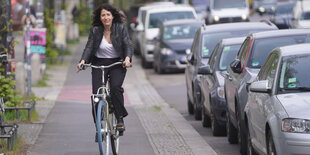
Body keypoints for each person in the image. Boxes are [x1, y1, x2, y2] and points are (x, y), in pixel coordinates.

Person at [77, 4, 132, 139]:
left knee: (115, 88)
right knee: (96, 95)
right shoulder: (95, 30)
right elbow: (89, 46)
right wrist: (83, 61)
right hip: (99, 63)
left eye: (108, 15)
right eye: (103, 15)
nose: (106, 17)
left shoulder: (120, 28)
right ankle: (99, 127)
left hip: (117, 63)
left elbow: (127, 45)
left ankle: (119, 119)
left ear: (112, 16)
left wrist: (127, 58)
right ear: (100, 18)